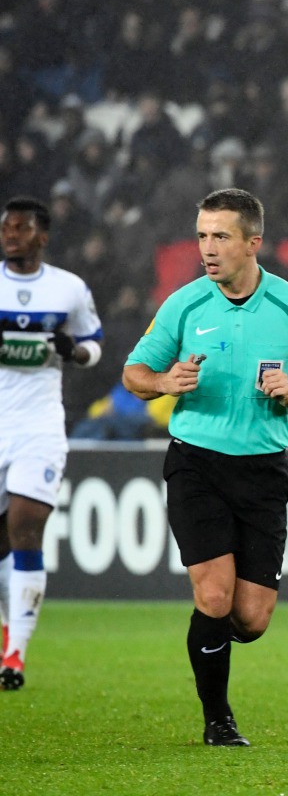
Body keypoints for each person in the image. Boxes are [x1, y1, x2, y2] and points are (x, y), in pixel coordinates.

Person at [122, 189, 288, 745]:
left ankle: (211, 633)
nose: (207, 248)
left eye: (220, 236)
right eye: (201, 235)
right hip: (196, 463)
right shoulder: (184, 305)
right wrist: (164, 383)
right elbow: (134, 372)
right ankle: (217, 719)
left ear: (253, 242)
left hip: (263, 470)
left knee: (251, 618)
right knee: (215, 597)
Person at [0, 196, 104, 691]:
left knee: (26, 525)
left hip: (40, 426)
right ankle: (8, 630)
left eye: (22, 228)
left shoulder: (68, 288)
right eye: (6, 227)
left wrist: (74, 351)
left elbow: (94, 342)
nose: (11, 234)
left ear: (42, 236)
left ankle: (15, 655)